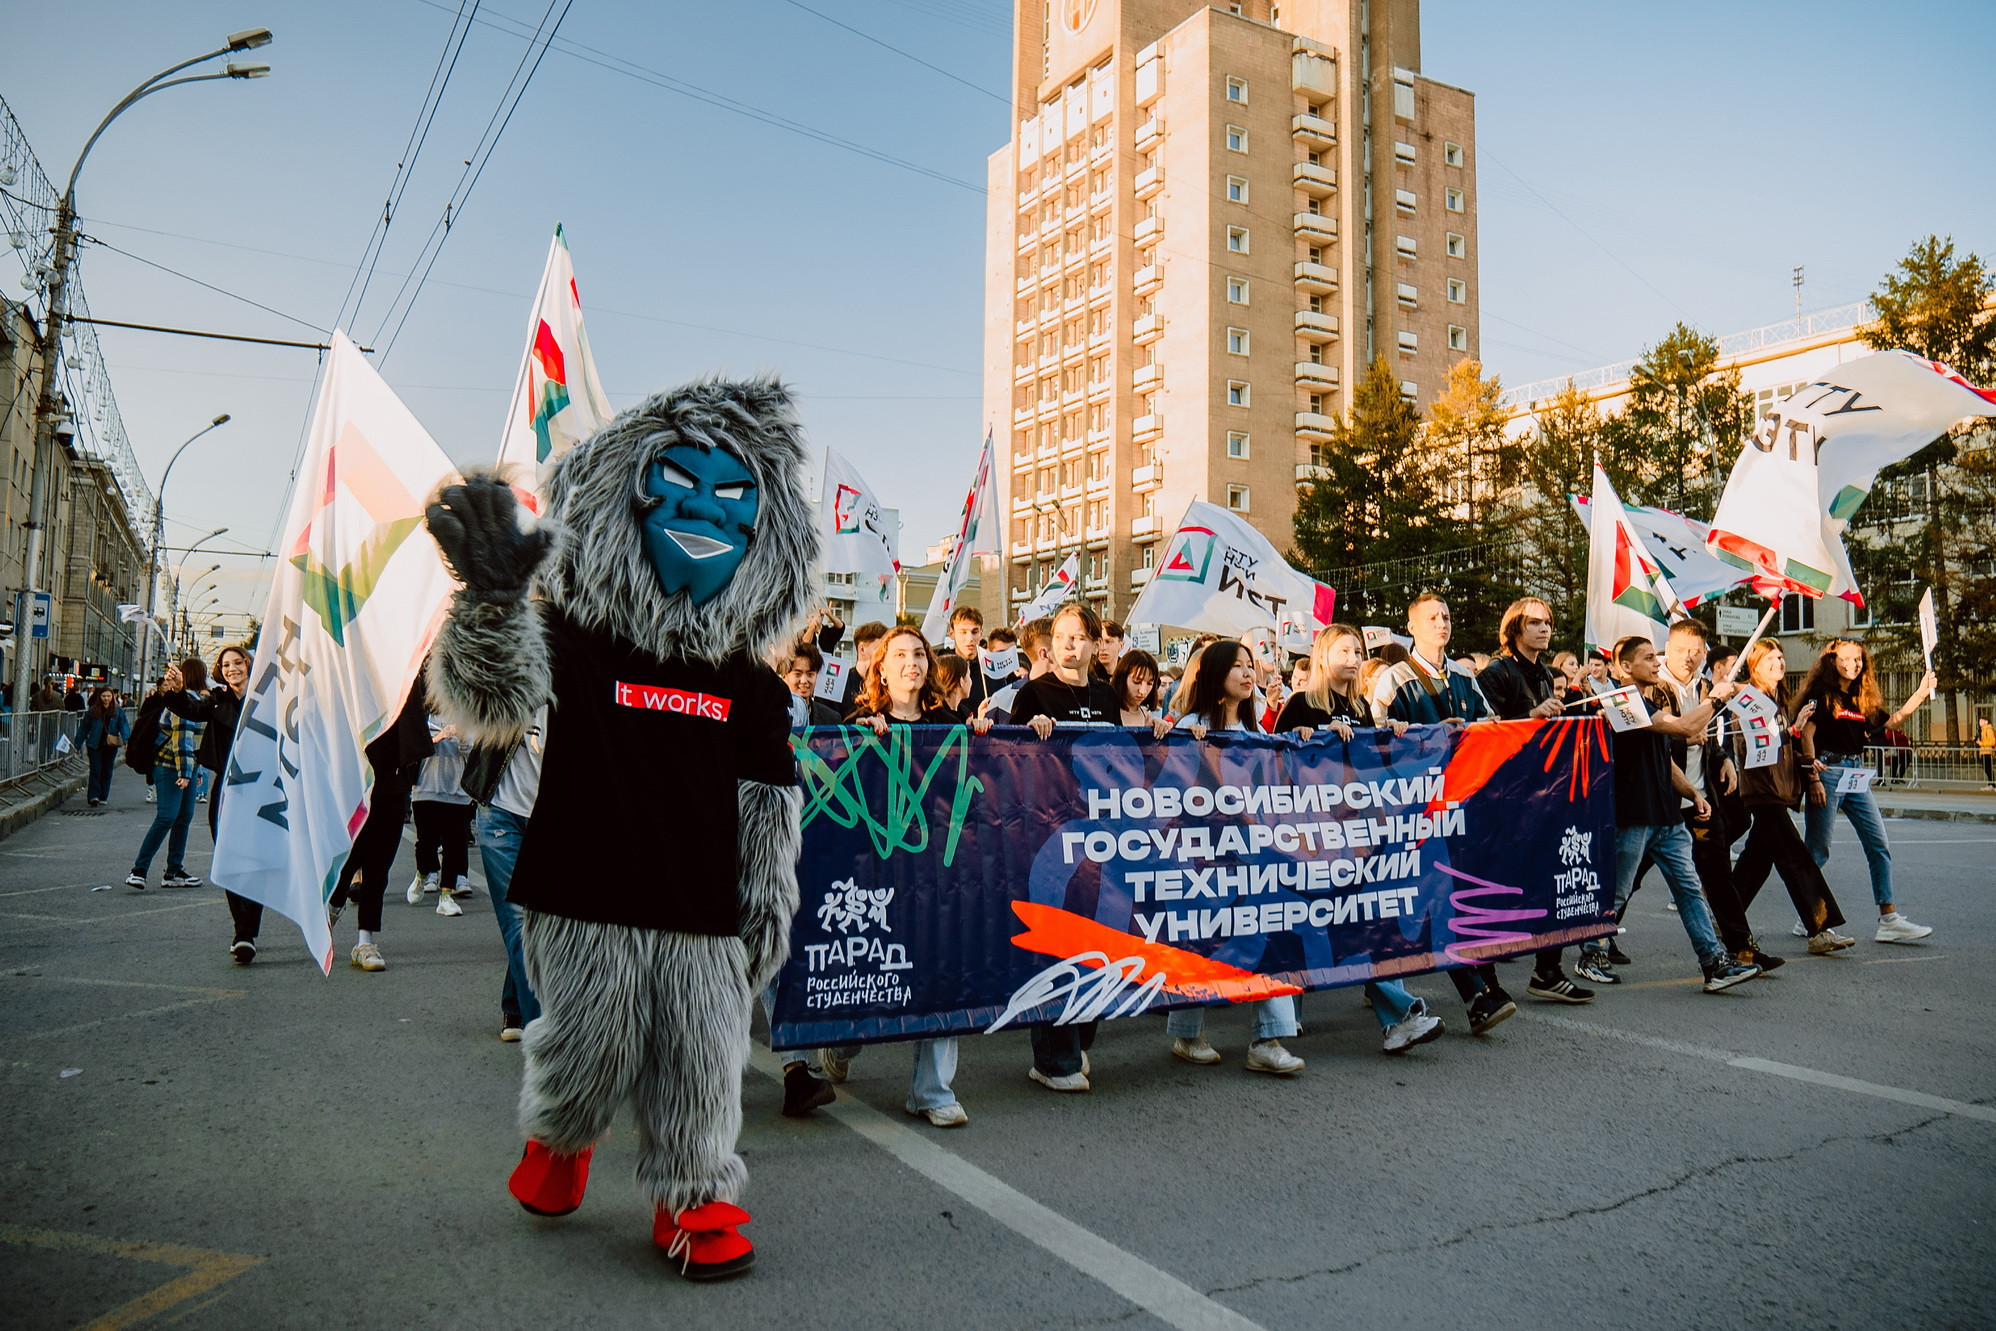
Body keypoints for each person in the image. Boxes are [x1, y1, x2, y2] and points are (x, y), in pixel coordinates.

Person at [811, 626, 993, 1126]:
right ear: (882, 669)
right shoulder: (860, 724)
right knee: (872, 981)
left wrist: (983, 741)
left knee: (941, 975)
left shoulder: (952, 722)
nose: (911, 662)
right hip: (878, 875)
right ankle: (842, 1044)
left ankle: (932, 1092)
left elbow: (979, 788)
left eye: (919, 654)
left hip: (939, 872)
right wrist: (860, 743)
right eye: (900, 655)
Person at [1274, 625, 1444, 1055]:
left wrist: (1393, 736)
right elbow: (1273, 764)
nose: (1354, 657)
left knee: (1370, 919)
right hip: (1308, 838)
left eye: (1358, 651)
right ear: (1323, 655)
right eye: (1345, 650)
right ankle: (1280, 1017)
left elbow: (1371, 764)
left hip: (1355, 835)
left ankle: (1399, 1019)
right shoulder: (1298, 705)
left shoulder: (1362, 707)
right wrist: (1307, 740)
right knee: (1303, 925)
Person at [1010, 604, 1149, 1092]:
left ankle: (1080, 1035)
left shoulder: (1108, 697)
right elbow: (1013, 761)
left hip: (1103, 836)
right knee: (1059, 942)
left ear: (1095, 643)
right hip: (1050, 835)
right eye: (1063, 637)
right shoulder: (1033, 694)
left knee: (1102, 941)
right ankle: (1053, 1058)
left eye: (1080, 637)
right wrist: (1031, 736)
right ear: (1052, 644)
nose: (1071, 645)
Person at [1575, 636, 1761, 992]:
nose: (1657, 663)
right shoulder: (1620, 703)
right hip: (1634, 816)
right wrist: (1716, 697)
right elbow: (1686, 728)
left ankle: (1714, 963)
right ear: (1625, 666)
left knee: (1690, 889)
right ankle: (1592, 953)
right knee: (1617, 891)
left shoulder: (1646, 702)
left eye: (1656, 657)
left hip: (1667, 817)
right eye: (1648, 658)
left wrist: (1692, 793)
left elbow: (1663, 758)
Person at [1161, 639, 1307, 1075]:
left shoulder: (1256, 733)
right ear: (1216, 676)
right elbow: (1170, 795)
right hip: (1202, 858)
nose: (1248, 673)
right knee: (1201, 940)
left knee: (1270, 930)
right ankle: (1187, 1033)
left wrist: (1296, 741)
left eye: (1250, 666)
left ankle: (1268, 1038)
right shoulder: (1191, 724)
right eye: (1238, 667)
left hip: (1253, 856)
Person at [1370, 595, 1513, 1032]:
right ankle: (1477, 991)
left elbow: (1492, 728)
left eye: (1447, 616)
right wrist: (1431, 735)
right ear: (1411, 627)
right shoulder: (1394, 680)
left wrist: (1470, 732)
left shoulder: (1465, 677)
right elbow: (1374, 740)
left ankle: (1480, 988)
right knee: (1433, 900)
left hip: (1461, 807)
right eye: (1431, 618)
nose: (1442, 624)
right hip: (1414, 809)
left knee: (1456, 897)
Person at [1475, 598, 1597, 1004]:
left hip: (1541, 792)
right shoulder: (1496, 673)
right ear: (1514, 628)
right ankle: (1486, 978)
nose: (1544, 629)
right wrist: (1532, 715)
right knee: (1495, 889)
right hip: (1503, 796)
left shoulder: (1546, 673)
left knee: (1552, 880)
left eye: (1547, 622)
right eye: (1534, 622)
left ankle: (1548, 971)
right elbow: (1483, 732)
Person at [1651, 621, 1777, 974]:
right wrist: (1685, 737)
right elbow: (1661, 739)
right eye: (1680, 650)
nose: (1688, 658)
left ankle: (1741, 950)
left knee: (1717, 876)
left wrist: (1724, 761)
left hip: (1701, 800)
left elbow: (1713, 737)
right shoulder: (1654, 689)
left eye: (1695, 651)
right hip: (1660, 803)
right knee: (1625, 880)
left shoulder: (1707, 687)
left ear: (1705, 652)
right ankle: (1595, 943)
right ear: (1668, 648)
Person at [1795, 640, 1936, 943]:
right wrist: (1813, 778)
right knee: (1818, 850)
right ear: (1832, 662)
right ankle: (1808, 913)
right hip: (1828, 772)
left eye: (1858, 659)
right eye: (1846, 659)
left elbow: (1893, 721)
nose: (1853, 664)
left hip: (1856, 775)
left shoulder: (1861, 698)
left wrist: (1922, 692)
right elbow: (1807, 734)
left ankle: (1888, 919)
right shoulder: (1820, 695)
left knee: (1878, 844)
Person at [1728, 640, 1854, 956]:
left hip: (1779, 788)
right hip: (1762, 791)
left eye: (1781, 657)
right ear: (1754, 665)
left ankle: (1725, 912)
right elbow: (1754, 750)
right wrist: (1792, 732)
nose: (1779, 662)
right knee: (1795, 857)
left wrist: (1804, 760)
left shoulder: (1776, 699)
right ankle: (1819, 928)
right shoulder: (1747, 699)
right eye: (1771, 658)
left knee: (1757, 859)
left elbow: (1780, 750)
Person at [325, 681, 433, 972]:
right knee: (349, 858)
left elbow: (433, 698)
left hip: (393, 785)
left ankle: (365, 942)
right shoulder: (348, 679)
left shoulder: (404, 678)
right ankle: (334, 902)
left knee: (378, 868)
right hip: (352, 785)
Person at [158, 648, 253, 959]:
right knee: (229, 857)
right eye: (226, 665)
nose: (232, 669)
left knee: (257, 859)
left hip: (264, 789)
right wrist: (175, 690)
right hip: (226, 788)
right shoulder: (218, 698)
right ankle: (242, 929)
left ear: (249, 664)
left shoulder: (268, 697)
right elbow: (192, 709)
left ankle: (247, 931)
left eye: (238, 662)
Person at [124, 657, 209, 891]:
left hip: (186, 766)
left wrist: (195, 770)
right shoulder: (187, 700)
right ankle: (138, 870)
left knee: (184, 818)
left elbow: (195, 743)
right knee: (167, 817)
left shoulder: (194, 699)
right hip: (170, 766)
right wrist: (185, 772)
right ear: (199, 675)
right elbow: (182, 739)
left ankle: (174, 871)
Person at [407, 711, 477, 917]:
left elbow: (471, 752)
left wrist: (462, 735)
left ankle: (446, 896)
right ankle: (422, 874)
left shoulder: (465, 716)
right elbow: (411, 748)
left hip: (457, 791)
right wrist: (438, 737)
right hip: (426, 788)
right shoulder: (422, 718)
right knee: (426, 842)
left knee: (454, 844)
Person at [80, 687, 128, 807]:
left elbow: (124, 726)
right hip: (94, 744)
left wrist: (126, 740)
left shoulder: (118, 712)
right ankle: (93, 796)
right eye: (103, 696)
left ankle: (103, 796)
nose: (106, 698)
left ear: (112, 697)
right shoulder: (93, 711)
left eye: (108, 696)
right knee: (95, 769)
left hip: (111, 745)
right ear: (99, 697)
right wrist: (77, 743)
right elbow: (84, 728)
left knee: (107, 770)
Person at [944, 605, 995, 714]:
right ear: (951, 633)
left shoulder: (991, 670)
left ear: (981, 633)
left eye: (974, 632)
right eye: (963, 632)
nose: (970, 639)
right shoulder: (942, 669)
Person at [780, 643, 844, 727]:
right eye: (797, 674)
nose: (804, 681)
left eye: (810, 674)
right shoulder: (773, 714)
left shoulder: (832, 718)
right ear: (784, 675)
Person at [840, 621, 890, 712]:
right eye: (880, 649)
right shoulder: (839, 683)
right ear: (862, 649)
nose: (885, 654)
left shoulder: (889, 685)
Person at [1112, 648, 1163, 727]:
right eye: (1137, 681)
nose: (1143, 691)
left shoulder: (1148, 718)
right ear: (1122, 678)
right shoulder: (1106, 712)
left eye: (1149, 683)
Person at [1979, 717, 1996, 790]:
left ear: (1986, 722)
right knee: (1986, 768)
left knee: (1987, 768)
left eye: (1981, 721)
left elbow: (1992, 742)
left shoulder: (1988, 730)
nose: (1980, 722)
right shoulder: (1983, 730)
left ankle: (1993, 784)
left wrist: (1981, 743)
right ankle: (1991, 784)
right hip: (1984, 751)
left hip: (1987, 751)